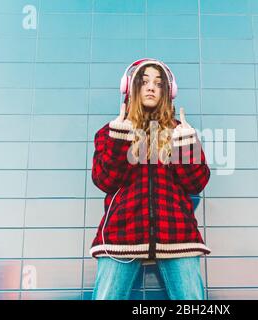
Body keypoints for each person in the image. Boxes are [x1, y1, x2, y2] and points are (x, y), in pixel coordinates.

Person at [90, 58, 211, 300]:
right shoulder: (111, 131)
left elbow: (197, 183)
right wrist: (119, 138)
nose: (151, 87)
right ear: (130, 89)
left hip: (177, 235)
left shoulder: (181, 131)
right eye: (143, 82)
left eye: (158, 83)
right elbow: (104, 180)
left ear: (168, 92)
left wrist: (185, 145)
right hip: (121, 235)